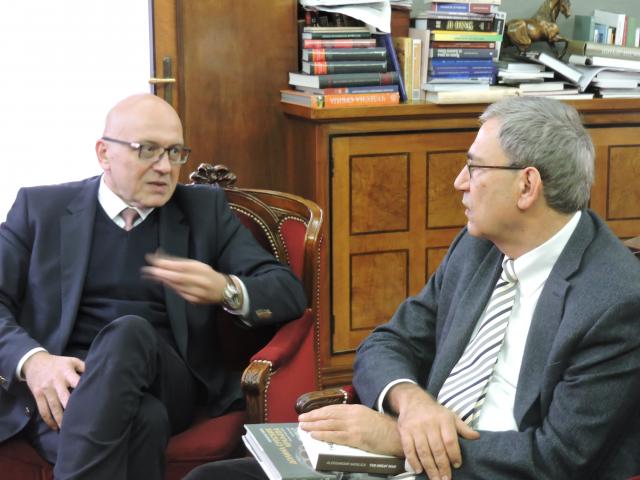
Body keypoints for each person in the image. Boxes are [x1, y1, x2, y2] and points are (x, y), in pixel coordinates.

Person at [185, 96, 640, 480]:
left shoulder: (614, 300)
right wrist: (412, 403)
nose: (458, 182)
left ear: (527, 185)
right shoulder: (478, 247)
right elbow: (388, 341)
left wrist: (400, 441)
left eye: (474, 167)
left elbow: (558, 458)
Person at [0, 93, 306, 479]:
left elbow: (288, 292)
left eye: (175, 152)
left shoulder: (204, 211)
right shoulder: (40, 209)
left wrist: (225, 288)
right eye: (147, 150)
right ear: (104, 153)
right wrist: (34, 362)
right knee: (146, 421)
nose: (165, 167)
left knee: (129, 332)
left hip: (168, 378)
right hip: (68, 386)